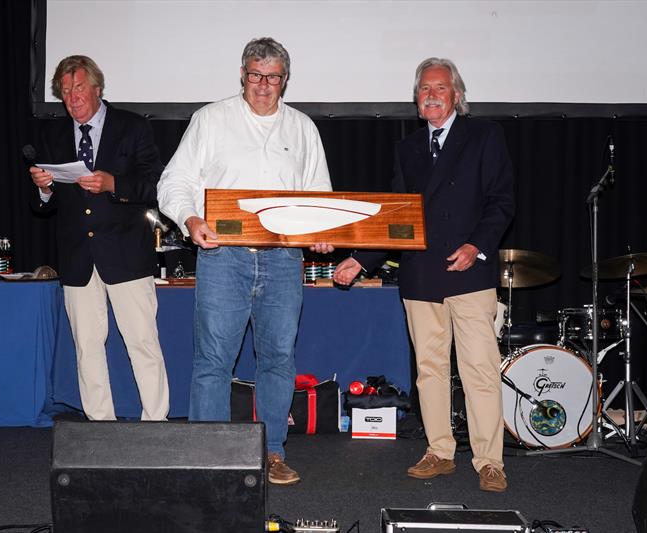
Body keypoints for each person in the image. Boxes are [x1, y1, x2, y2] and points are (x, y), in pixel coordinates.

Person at [333, 57, 515, 492]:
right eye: (424, 89)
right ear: (417, 99)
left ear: (456, 95)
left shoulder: (484, 136)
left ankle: (490, 461)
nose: (431, 94)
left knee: (480, 370)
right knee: (429, 370)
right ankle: (439, 451)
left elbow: (502, 201)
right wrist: (361, 259)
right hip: (420, 276)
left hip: (469, 273)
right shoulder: (407, 148)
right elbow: (399, 219)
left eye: (439, 88)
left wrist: (477, 246)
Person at [157, 37, 332, 485]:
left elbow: (320, 197)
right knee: (213, 360)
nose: (263, 85)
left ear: (284, 80)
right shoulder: (210, 119)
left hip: (283, 260)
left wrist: (324, 234)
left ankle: (272, 452)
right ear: (242, 74)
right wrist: (190, 217)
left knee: (277, 358)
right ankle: (208, 456)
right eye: (255, 75)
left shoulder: (302, 128)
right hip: (223, 258)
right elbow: (173, 181)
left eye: (272, 77)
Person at [29, 55, 169, 422]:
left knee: (142, 343)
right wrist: (44, 189)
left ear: (97, 88)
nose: (72, 98)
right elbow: (46, 206)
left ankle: (156, 422)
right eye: (64, 92)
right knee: (86, 347)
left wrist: (114, 184)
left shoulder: (132, 127)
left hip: (126, 254)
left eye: (78, 88)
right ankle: (99, 425)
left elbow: (156, 185)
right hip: (77, 259)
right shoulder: (52, 135)